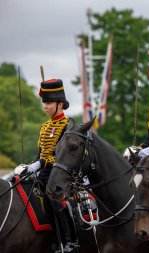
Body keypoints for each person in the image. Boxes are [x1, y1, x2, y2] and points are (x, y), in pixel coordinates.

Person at [27, 78, 78, 252]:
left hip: (60, 172)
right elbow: (41, 152)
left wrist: (40, 163)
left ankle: (69, 239)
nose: (45, 106)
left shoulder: (68, 126)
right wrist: (32, 166)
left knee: (52, 197)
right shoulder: (44, 126)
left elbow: (60, 155)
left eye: (49, 103)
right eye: (44, 103)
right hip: (43, 171)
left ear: (60, 104)